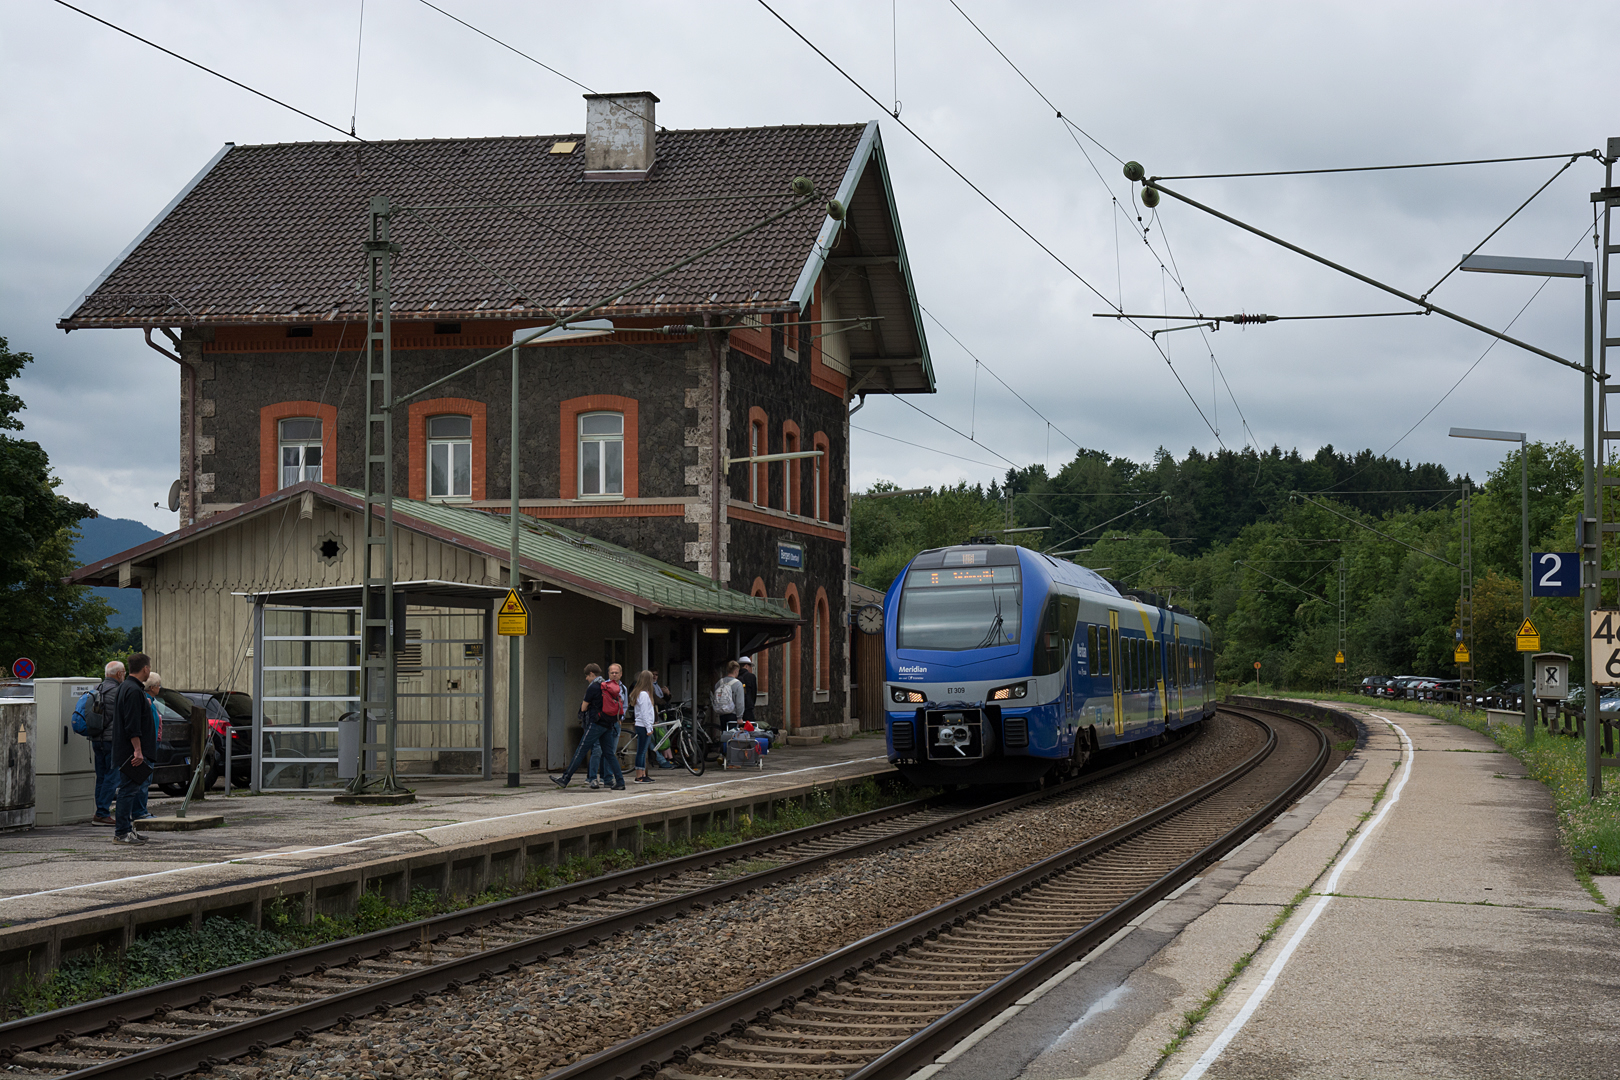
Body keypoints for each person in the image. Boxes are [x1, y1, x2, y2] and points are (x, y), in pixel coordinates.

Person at [553, 664, 624, 790]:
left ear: (592, 674)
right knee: (609, 754)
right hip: (608, 724)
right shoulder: (608, 686)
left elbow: (583, 707)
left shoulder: (594, 687)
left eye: (587, 676)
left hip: (596, 724)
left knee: (581, 750)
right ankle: (620, 782)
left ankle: (565, 778)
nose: (586, 679)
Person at [72, 661, 124, 825]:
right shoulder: (117, 692)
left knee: (101, 776)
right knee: (112, 777)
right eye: (124, 672)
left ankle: (100, 811)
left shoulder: (98, 688)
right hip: (111, 740)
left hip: (96, 739)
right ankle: (102, 812)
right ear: (118, 674)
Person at [111, 653, 155, 844]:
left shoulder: (124, 687)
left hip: (124, 748)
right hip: (131, 751)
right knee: (128, 790)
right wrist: (137, 750)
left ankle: (127, 829)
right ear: (145, 668)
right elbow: (132, 724)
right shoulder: (135, 691)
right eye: (149, 668)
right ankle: (122, 832)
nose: (149, 671)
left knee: (131, 789)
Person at [629, 670, 658, 783]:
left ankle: (642, 774)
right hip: (644, 726)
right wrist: (649, 727)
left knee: (642, 751)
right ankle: (640, 776)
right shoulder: (644, 695)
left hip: (640, 725)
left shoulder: (639, 693)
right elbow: (645, 713)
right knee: (641, 751)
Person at [712, 661, 745, 739]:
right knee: (733, 737)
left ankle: (723, 749)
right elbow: (740, 702)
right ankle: (730, 750)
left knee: (724, 734)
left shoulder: (719, 683)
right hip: (733, 714)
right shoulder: (738, 684)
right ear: (736, 671)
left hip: (722, 713)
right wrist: (739, 717)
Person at [737, 656, 758, 728]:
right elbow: (754, 693)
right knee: (750, 728)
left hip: (737, 708)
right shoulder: (751, 676)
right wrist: (751, 704)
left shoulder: (736, 677)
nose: (750, 668)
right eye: (749, 666)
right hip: (748, 706)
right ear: (746, 666)